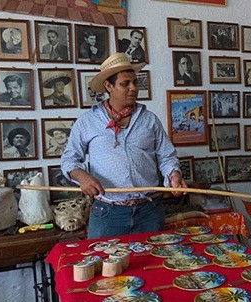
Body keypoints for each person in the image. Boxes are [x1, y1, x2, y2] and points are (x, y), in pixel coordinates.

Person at [61, 52, 188, 239]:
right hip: (107, 213)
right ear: (108, 86)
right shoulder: (88, 121)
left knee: (153, 264)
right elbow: (69, 159)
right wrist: (82, 177)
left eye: (135, 82)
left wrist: (174, 175)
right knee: (104, 264)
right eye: (125, 84)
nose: (133, 88)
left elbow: (166, 156)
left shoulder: (149, 120)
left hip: (149, 211)